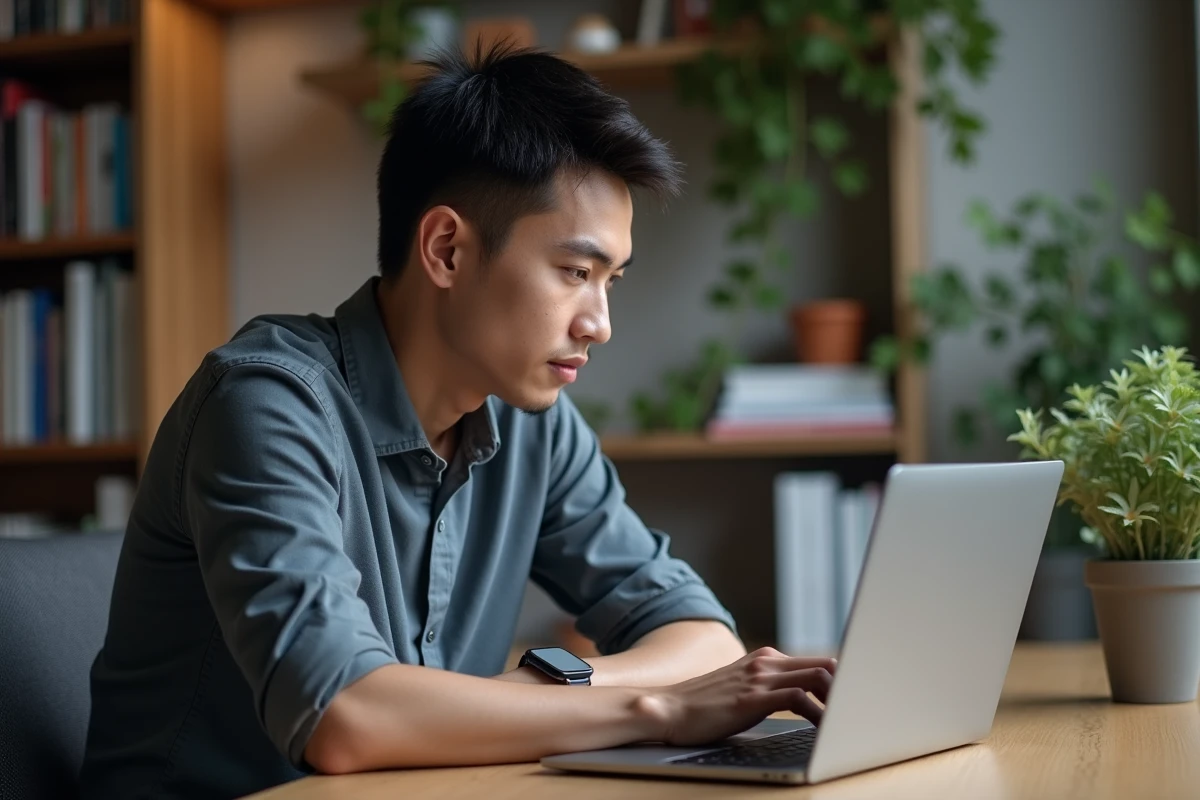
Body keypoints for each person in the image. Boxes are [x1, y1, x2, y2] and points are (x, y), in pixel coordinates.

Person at [80, 45, 836, 800]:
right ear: (446, 249)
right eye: (576, 273)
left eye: (611, 281)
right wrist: (654, 708)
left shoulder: (535, 423)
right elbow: (346, 716)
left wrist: (562, 691)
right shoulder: (265, 403)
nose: (600, 323)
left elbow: (704, 638)